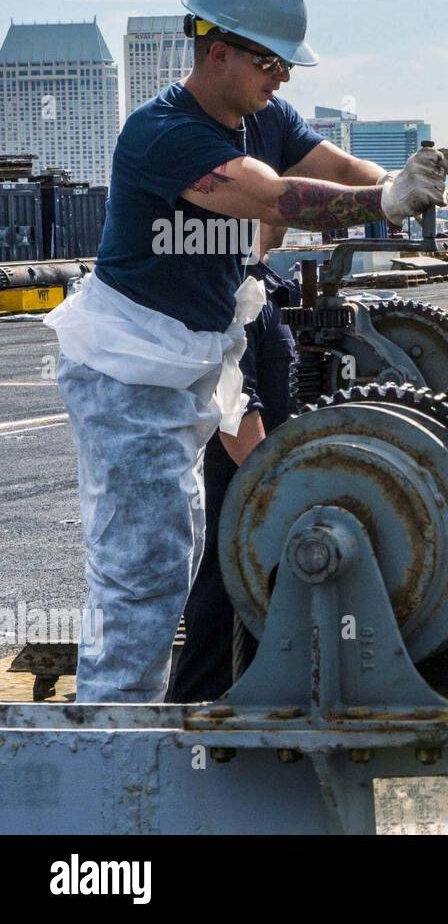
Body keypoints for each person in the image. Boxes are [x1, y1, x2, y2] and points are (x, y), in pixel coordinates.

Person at [45, 0, 448, 702]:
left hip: (197, 361)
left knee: (188, 549)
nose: (283, 77)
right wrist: (384, 202)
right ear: (216, 50)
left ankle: (139, 737)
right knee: (141, 577)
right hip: (128, 374)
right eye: (270, 60)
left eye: (288, 63)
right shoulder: (163, 134)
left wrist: (403, 182)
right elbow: (277, 200)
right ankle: (112, 754)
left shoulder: (263, 117)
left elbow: (339, 168)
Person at [169, 261, 297, 701]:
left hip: (265, 503)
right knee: (220, 622)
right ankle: (182, 746)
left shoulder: (270, 289)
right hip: (246, 508)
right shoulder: (235, 292)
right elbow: (236, 411)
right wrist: (286, 499)